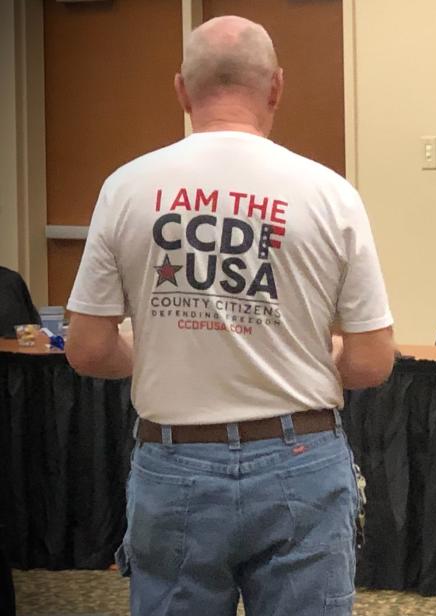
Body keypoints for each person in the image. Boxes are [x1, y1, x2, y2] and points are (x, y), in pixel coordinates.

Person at [65, 15, 394, 615]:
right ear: (276, 87)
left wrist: (162, 350)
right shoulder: (329, 194)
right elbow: (372, 361)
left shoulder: (126, 188)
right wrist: (294, 357)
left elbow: (87, 349)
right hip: (300, 459)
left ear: (181, 90)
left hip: (173, 461)